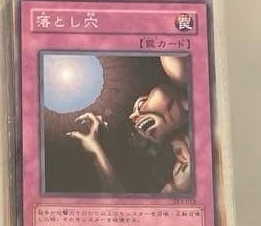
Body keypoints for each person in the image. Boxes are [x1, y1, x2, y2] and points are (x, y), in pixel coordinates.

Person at [66, 56, 192, 193]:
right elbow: (124, 204)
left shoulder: (179, 69)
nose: (134, 116)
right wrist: (95, 150)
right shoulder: (184, 169)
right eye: (147, 134)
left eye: (141, 104)